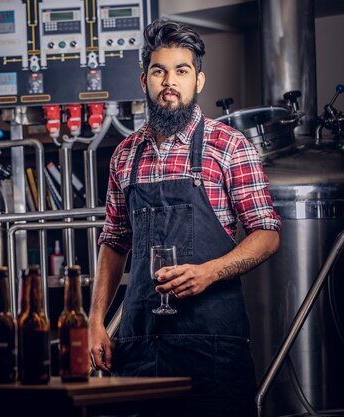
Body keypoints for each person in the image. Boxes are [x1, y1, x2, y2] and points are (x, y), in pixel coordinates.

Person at [88, 19, 281, 417]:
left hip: (211, 350)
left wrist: (210, 271)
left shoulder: (228, 146)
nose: (169, 82)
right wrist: (96, 321)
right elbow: (114, 241)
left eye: (182, 70)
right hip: (140, 345)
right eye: (159, 71)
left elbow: (267, 235)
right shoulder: (125, 154)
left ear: (199, 81)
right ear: (145, 80)